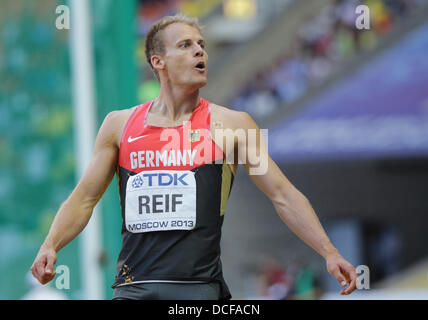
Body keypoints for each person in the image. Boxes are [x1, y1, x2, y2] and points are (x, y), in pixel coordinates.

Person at [31, 14, 357, 300]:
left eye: (200, 44)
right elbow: (85, 198)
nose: (199, 50)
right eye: (185, 45)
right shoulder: (119, 125)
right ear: (158, 61)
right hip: (134, 288)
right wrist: (51, 245)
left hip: (198, 291)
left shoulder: (233, 125)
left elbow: (282, 194)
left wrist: (329, 252)